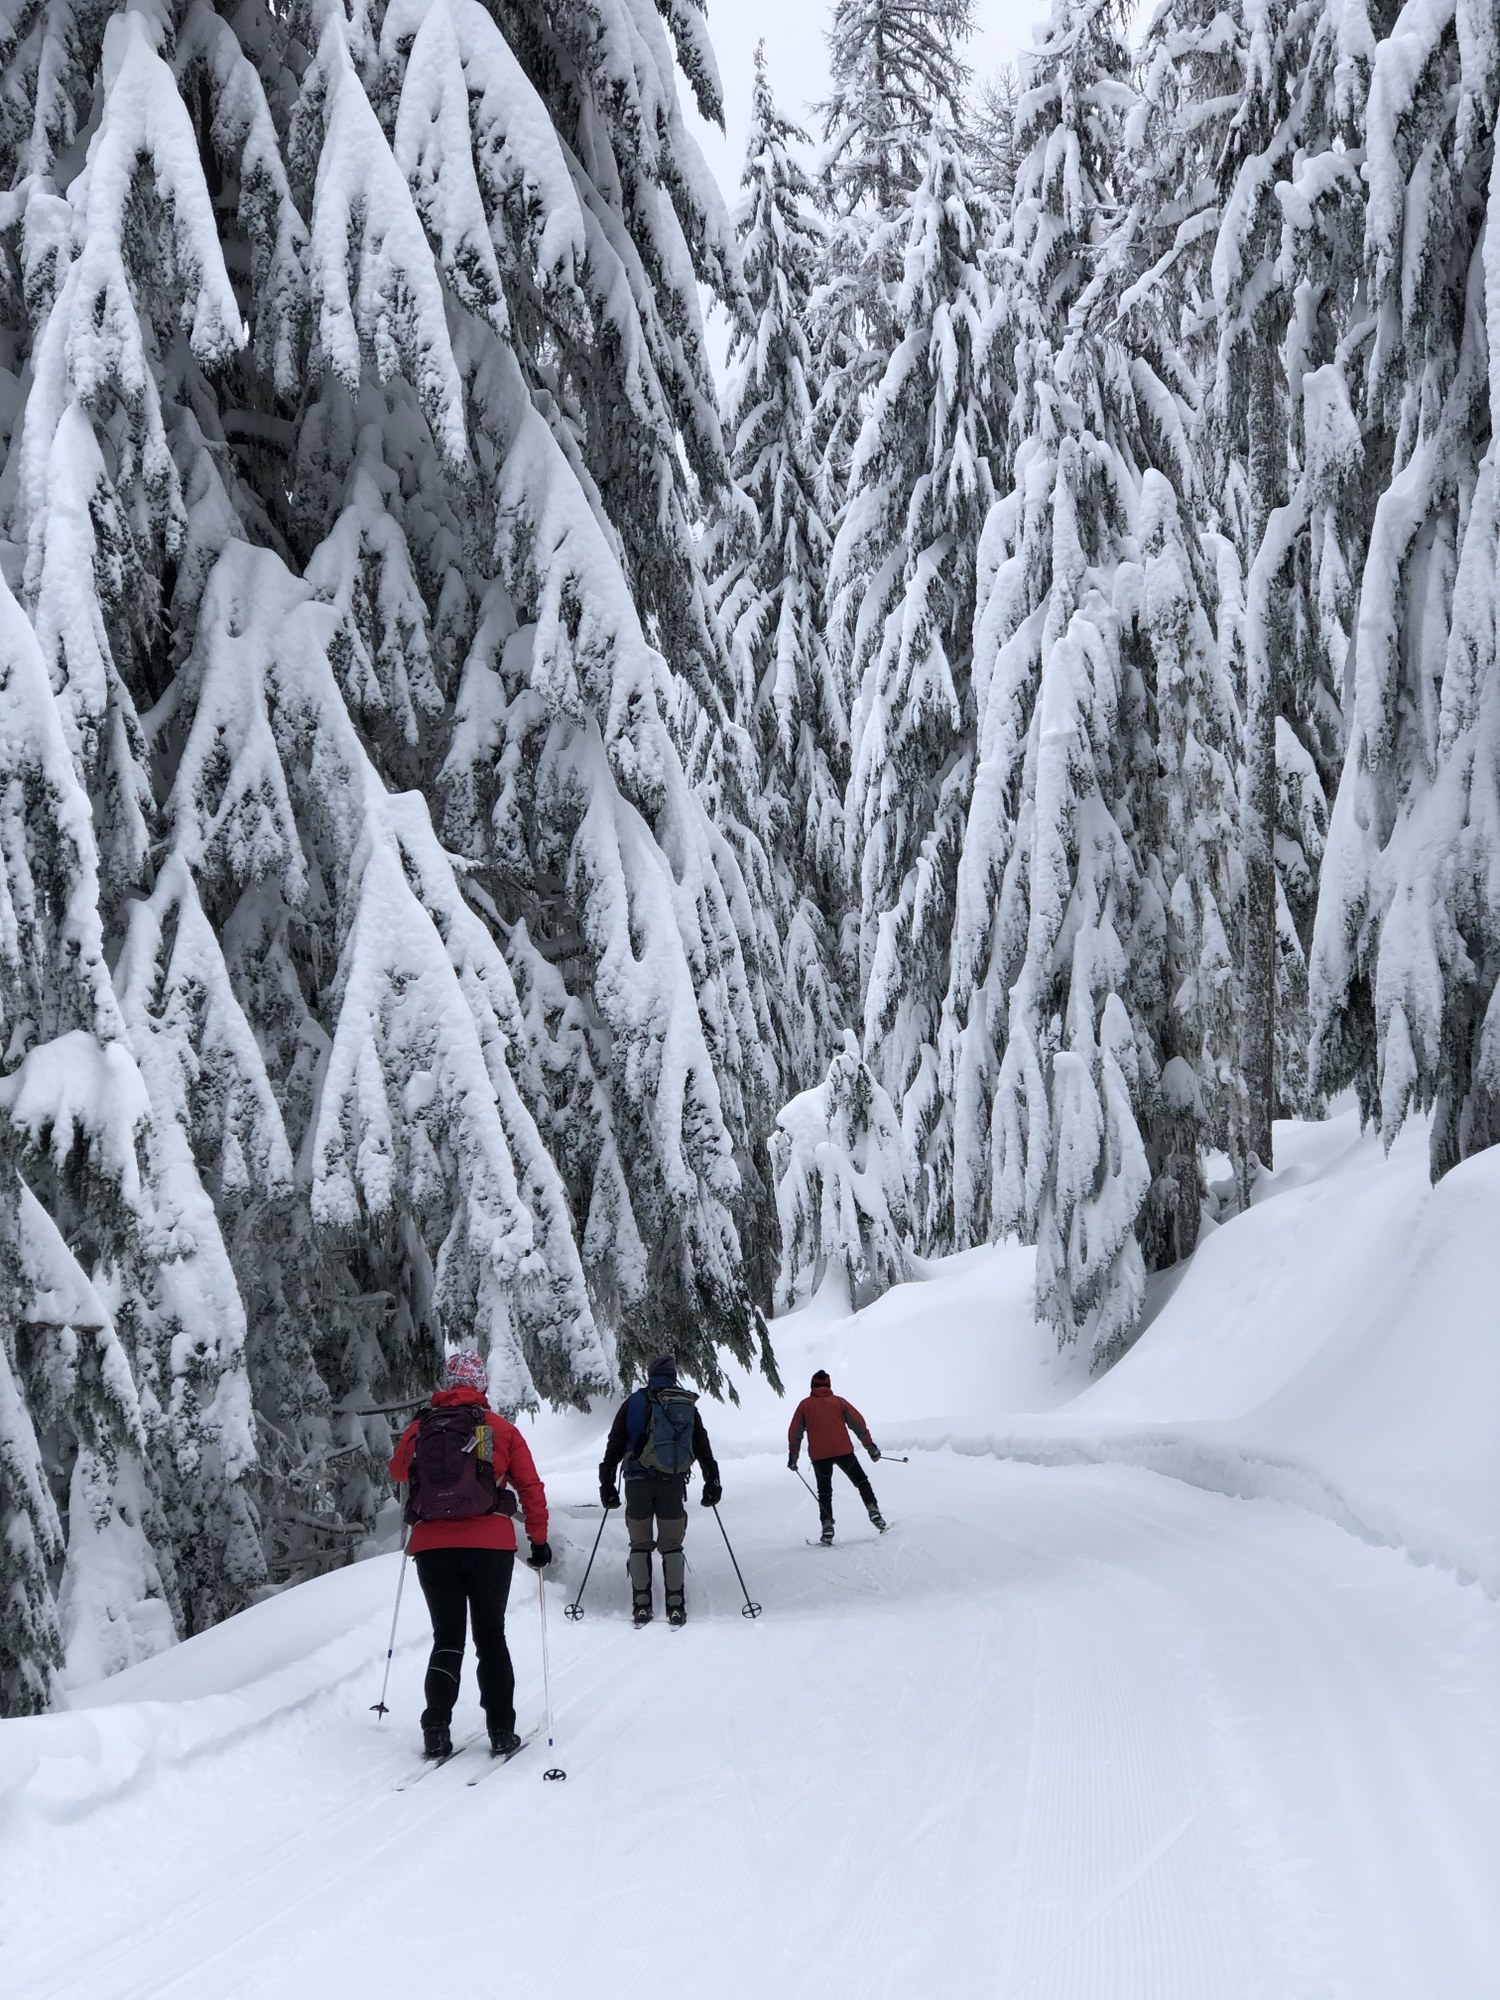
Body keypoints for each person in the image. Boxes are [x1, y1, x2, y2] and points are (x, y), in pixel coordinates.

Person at [388, 1350, 551, 1759]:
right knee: (490, 1636)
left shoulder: (422, 1427)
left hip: (433, 1546)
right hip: (490, 1546)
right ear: (481, 1384)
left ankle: (436, 1729)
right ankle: (501, 1730)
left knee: (447, 1637)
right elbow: (530, 1487)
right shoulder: (497, 1429)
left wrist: (418, 1440)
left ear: (447, 1384)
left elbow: (397, 1470)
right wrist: (538, 1539)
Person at [599, 1353, 720, 1627]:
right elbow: (701, 1444)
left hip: (636, 1482)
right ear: (673, 1376)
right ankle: (676, 1606)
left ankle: (642, 1606)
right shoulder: (684, 1404)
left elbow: (615, 1443)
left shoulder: (633, 1402)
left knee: (640, 1543)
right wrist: (712, 1480)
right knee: (672, 1544)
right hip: (672, 1482)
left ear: (650, 1374)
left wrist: (606, 1482)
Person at [787, 1369, 886, 1544]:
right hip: (843, 1451)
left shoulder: (805, 1406)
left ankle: (827, 1526)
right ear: (829, 1385)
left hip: (820, 1455)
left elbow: (795, 1432)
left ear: (812, 1386)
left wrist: (793, 1457)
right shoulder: (839, 1402)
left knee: (824, 1492)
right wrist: (870, 1447)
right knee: (861, 1481)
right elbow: (858, 1423)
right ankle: (874, 1512)